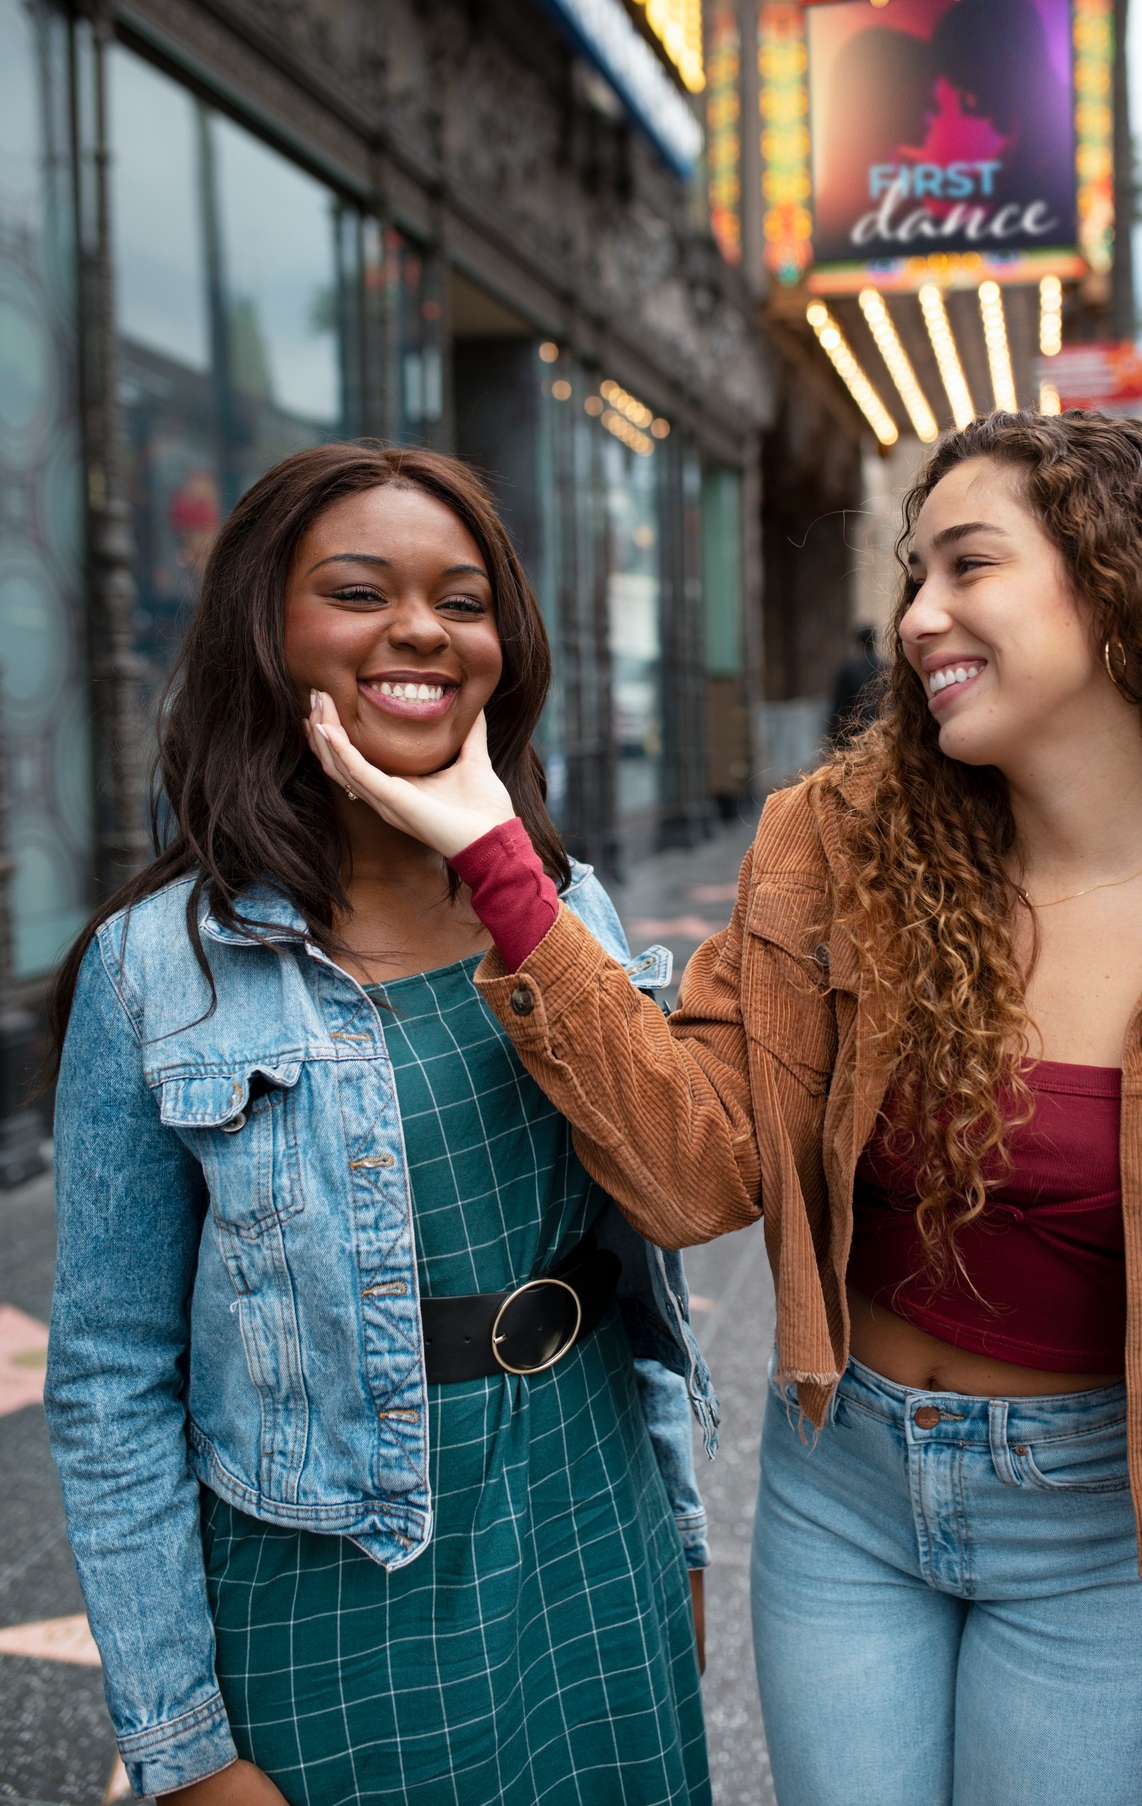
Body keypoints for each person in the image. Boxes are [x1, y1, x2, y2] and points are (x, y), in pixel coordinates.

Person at [306, 411, 1142, 1806]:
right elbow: (688, 1180)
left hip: (1099, 1531)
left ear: (1120, 581)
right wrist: (501, 867)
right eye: (910, 576)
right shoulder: (836, 842)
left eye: (967, 567)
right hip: (839, 1487)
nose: (917, 618)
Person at [44, 445, 714, 1806]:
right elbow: (111, 1379)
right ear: (268, 633)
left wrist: (680, 1540)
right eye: (358, 591)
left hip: (589, 1521)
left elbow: (648, 1256)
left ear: (503, 647)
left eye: (461, 601)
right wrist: (183, 1751)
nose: (419, 628)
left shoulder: (555, 903)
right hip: (333, 1583)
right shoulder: (154, 970)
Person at [827, 624, 883, 744]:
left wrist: (833, 737)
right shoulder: (885, 668)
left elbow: (839, 706)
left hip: (854, 736)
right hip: (882, 733)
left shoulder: (849, 669)